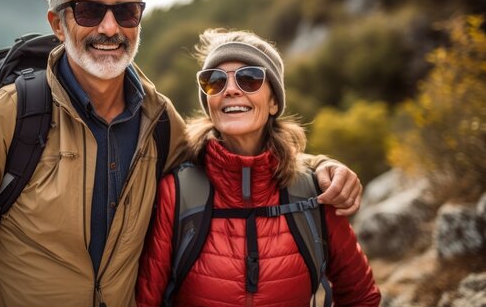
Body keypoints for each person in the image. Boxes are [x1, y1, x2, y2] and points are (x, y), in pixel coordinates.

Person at [0, 0, 364, 306]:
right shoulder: (11, 115)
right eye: (90, 11)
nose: (110, 27)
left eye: (126, 11)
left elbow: (235, 154)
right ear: (58, 23)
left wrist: (320, 166)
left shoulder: (158, 122)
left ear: (140, 19)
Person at [136, 28, 381, 306]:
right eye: (214, 81)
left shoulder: (315, 190)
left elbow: (361, 296)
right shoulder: (176, 192)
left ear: (274, 101)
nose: (229, 90)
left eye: (249, 78)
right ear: (209, 103)